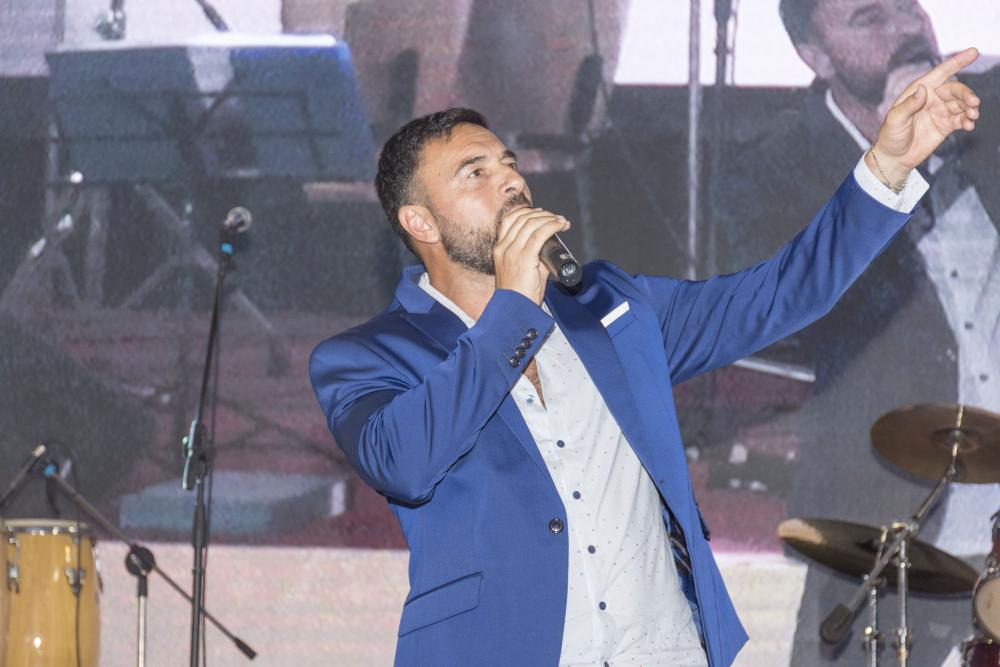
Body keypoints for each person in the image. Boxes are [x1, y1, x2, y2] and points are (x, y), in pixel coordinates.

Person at [309, 50, 980, 666]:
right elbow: (404, 462)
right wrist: (511, 306)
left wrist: (887, 166)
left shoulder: (610, 308)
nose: (510, 180)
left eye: (509, 163)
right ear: (420, 222)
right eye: (475, 173)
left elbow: (781, 293)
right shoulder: (365, 357)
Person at [715, 1, 1000, 664]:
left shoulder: (988, 120)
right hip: (882, 522)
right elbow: (808, 304)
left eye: (907, 6)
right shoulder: (773, 166)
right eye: (869, 18)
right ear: (812, 55)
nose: (904, 27)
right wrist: (899, 158)